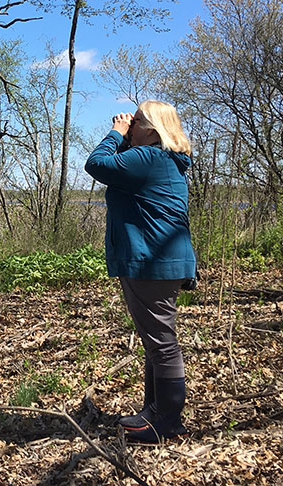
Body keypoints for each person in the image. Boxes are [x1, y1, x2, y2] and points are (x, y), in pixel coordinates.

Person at [84, 100, 196, 444]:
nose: (129, 126)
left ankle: (167, 422)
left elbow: (97, 164)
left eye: (135, 122)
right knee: (155, 341)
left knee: (162, 343)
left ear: (151, 128)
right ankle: (155, 411)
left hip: (151, 262)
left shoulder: (149, 158)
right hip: (160, 261)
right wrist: (125, 136)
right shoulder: (164, 162)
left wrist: (115, 132)